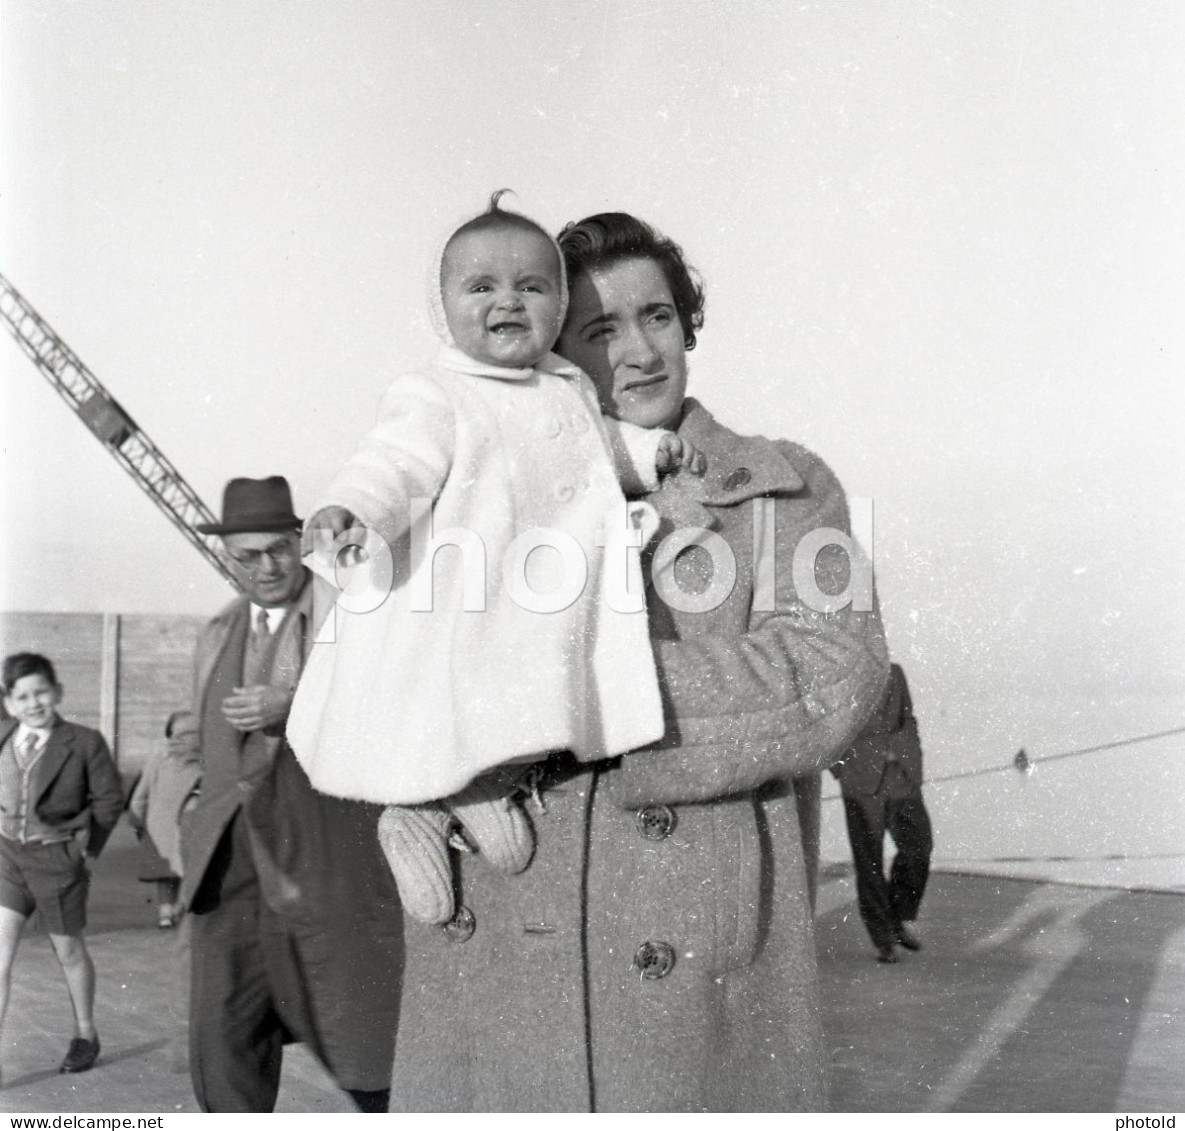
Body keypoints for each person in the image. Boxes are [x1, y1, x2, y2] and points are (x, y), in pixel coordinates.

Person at [385, 211, 890, 1112]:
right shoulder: (471, 477)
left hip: (700, 955)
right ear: (552, 351)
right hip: (499, 935)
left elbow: (832, 672)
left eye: (656, 316)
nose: (639, 352)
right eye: (601, 328)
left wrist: (575, 693)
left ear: (687, 323)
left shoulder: (783, 487)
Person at [288, 192, 702, 924]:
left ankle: (463, 795)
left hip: (532, 594)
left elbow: (597, 451)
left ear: (557, 304)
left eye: (532, 286)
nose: (507, 301)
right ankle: (424, 804)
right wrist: (358, 510)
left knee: (538, 702)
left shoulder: (566, 385)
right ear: (441, 306)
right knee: (465, 706)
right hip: (458, 597)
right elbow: (394, 461)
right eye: (480, 286)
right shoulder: (437, 392)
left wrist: (647, 451)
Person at [179, 475, 403, 1113]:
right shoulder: (217, 632)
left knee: (360, 1038)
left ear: (300, 544)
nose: (266, 567)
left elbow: (384, 705)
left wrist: (296, 703)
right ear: (228, 558)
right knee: (225, 1044)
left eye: (279, 549)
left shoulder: (348, 613)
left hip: (325, 867)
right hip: (228, 878)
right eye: (247, 556)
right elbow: (197, 743)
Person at [0, 652, 122, 1078]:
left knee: (68, 950)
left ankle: (85, 1034)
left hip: (57, 860)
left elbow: (109, 803)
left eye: (41, 692)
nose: (34, 703)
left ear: (57, 693)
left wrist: (84, 856)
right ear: (10, 703)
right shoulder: (2, 737)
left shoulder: (84, 742)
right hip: (8, 859)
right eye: (23, 696)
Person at [830, 661, 933, 964]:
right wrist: (843, 771)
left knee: (919, 847)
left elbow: (908, 719)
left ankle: (899, 917)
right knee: (869, 862)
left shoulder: (895, 672)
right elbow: (825, 733)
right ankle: (883, 938)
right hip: (861, 785)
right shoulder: (839, 676)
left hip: (901, 778)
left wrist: (907, 758)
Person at [127, 711, 201, 928]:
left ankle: (167, 913)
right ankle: (179, 908)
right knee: (186, 869)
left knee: (166, 874)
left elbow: (140, 795)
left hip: (161, 827)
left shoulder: (160, 758)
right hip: (185, 825)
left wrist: (137, 822)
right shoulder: (205, 760)